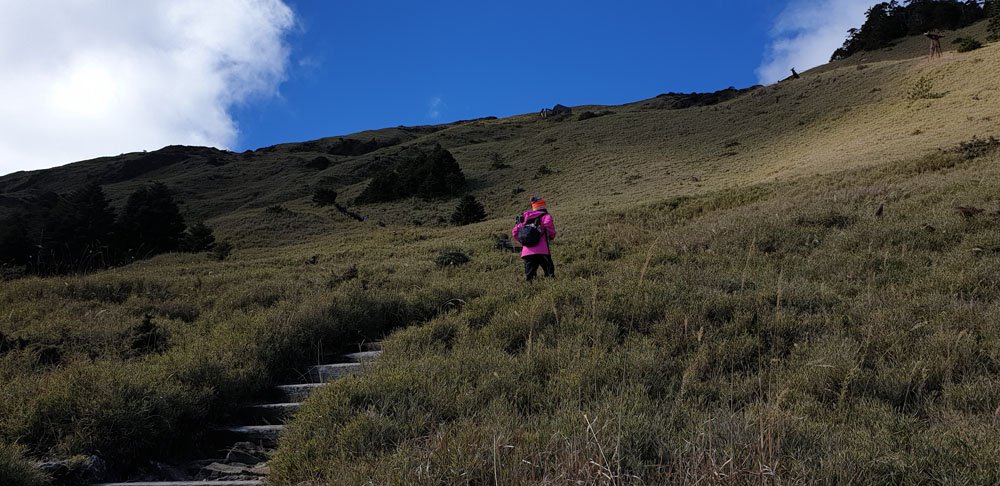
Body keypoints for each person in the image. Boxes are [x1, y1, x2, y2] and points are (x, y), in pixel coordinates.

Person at [512, 196, 556, 281]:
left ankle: (531, 289)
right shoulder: (545, 216)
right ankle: (551, 287)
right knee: (549, 273)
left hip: (527, 252)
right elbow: (548, 224)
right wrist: (551, 235)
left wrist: (523, 241)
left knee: (530, 277)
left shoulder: (525, 219)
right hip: (543, 251)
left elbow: (514, 232)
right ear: (544, 206)